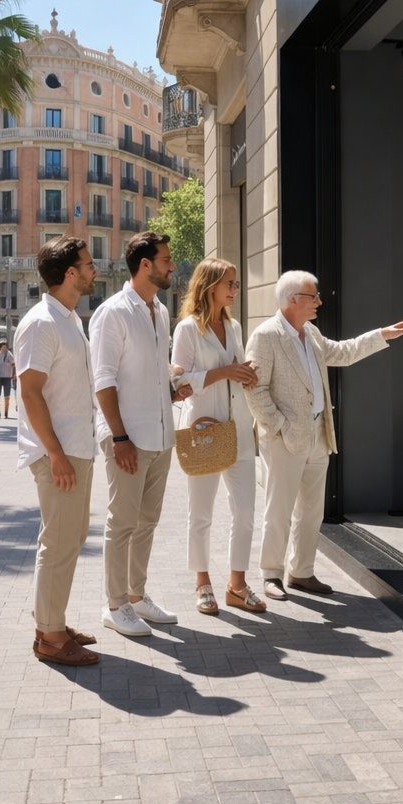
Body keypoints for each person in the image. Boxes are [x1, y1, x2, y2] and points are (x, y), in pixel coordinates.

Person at [245, 270, 403, 601]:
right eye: (314, 297)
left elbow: (342, 352)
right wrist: (280, 426)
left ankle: (301, 572)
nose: (320, 302)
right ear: (294, 300)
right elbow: (255, 390)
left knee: (311, 511)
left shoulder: (310, 332)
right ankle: (271, 574)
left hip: (318, 434)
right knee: (278, 510)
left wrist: (384, 334)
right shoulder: (265, 336)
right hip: (284, 437)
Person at [91, 232, 193, 637]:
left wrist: (172, 388)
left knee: (147, 521)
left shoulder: (161, 311)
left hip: (160, 435)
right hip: (127, 438)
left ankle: (136, 596)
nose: (172, 265)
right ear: (145, 264)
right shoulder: (112, 313)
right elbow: (103, 380)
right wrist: (119, 438)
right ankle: (115, 605)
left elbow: (154, 370)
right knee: (121, 522)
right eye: (166, 260)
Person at [15, 236, 99, 666]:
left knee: (71, 538)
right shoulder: (41, 322)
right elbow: (30, 393)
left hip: (76, 448)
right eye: (87, 264)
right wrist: (55, 453)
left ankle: (53, 621)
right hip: (58, 453)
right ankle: (49, 636)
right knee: (59, 541)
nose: (93, 269)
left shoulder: (68, 319)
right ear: (70, 273)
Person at [171, 258, 261, 615]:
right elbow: (179, 383)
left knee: (245, 512)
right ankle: (202, 582)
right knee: (201, 513)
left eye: (236, 284)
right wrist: (224, 371)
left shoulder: (234, 326)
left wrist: (245, 376)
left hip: (239, 430)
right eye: (230, 283)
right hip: (205, 431)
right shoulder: (188, 330)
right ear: (209, 286)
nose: (235, 290)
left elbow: (233, 372)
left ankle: (236, 585)